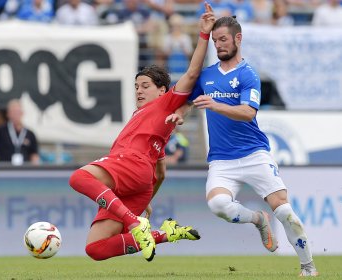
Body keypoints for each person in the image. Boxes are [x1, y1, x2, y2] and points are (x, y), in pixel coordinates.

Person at [170, 16, 318, 276]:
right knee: (218, 206)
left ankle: (308, 266)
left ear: (238, 38)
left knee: (285, 212)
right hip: (222, 160)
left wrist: (215, 105)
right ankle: (258, 219)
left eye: (223, 39)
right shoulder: (207, 76)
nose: (219, 45)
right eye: (215, 41)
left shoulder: (249, 74)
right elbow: (189, 102)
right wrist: (180, 114)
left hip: (254, 155)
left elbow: (248, 112)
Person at [68, 3, 215, 262]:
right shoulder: (152, 123)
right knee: (96, 249)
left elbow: (193, 72)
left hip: (129, 166)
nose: (138, 90)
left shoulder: (165, 103)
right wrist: (143, 197)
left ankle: (134, 223)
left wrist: (203, 34)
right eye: (136, 86)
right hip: (139, 183)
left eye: (145, 85)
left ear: (162, 90)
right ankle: (164, 234)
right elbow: (160, 173)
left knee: (79, 178)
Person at [0, 99, 40, 165]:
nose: (15, 115)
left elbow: (34, 154)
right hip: (4, 170)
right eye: (13, 112)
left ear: (22, 113)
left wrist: (34, 168)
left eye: (17, 112)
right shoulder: (1, 131)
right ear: (8, 114)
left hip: (24, 170)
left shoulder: (30, 134)